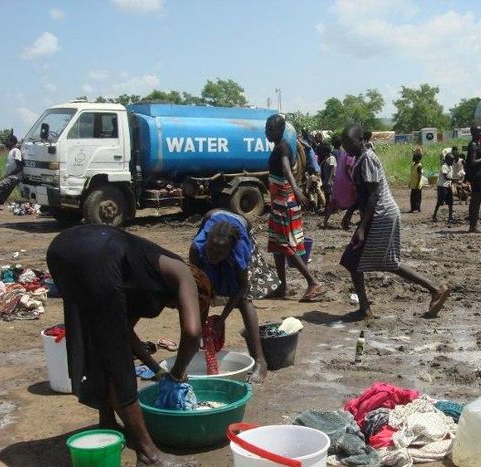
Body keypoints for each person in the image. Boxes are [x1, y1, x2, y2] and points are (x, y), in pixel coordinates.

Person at [47, 225, 212, 466]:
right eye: (181, 305)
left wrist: (156, 368)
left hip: (62, 248)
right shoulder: (181, 271)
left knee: (99, 340)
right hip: (96, 254)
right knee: (117, 359)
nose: (176, 308)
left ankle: (107, 421)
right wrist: (176, 374)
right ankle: (149, 454)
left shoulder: (140, 275)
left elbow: (125, 330)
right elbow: (192, 332)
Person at [340, 124, 449, 319]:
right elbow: (364, 193)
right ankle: (434, 289)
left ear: (360, 141)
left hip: (381, 215)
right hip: (376, 214)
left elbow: (373, 195)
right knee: (369, 261)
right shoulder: (360, 159)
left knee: (358, 260)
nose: (346, 148)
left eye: (349, 143)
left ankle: (366, 309)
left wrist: (362, 227)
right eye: (344, 144)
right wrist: (350, 212)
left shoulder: (368, 159)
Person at [190, 209, 281, 383]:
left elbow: (241, 288)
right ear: (206, 241)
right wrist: (199, 327)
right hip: (212, 215)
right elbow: (197, 286)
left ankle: (261, 361)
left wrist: (221, 319)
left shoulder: (239, 252)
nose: (212, 255)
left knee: (246, 301)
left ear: (229, 252)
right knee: (203, 292)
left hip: (242, 225)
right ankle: (193, 349)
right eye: (210, 249)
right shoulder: (197, 247)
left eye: (219, 253)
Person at [265, 114, 324, 302]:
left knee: (286, 245)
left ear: (279, 130)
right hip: (278, 202)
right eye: (266, 128)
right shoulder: (280, 146)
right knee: (276, 245)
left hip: (284, 202)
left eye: (270, 129)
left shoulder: (283, 146)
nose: (266, 131)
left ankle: (313, 282)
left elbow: (285, 169)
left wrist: (297, 190)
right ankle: (282, 286)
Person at [0, 133, 23, 220]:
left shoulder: (15, 151)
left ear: (12, 142)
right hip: (10, 178)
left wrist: (9, 175)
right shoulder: (11, 151)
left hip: (13, 178)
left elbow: (19, 166)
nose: (6, 143)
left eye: (8, 141)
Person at [432, 150, 455, 223]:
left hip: (448, 186)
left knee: (450, 202)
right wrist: (456, 179)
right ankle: (434, 215)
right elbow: (446, 177)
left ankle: (450, 217)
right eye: (451, 160)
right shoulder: (444, 166)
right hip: (442, 187)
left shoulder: (450, 167)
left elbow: (450, 178)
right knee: (440, 202)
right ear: (447, 160)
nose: (452, 162)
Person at [320, 143, 337, 219]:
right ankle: (327, 210)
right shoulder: (327, 159)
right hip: (326, 180)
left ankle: (329, 211)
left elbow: (332, 168)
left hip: (330, 181)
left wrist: (329, 180)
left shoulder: (331, 158)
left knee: (329, 196)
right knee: (327, 196)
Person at [409, 146, 424, 213]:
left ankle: (418, 208)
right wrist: (410, 183)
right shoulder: (413, 165)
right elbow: (412, 175)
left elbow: (420, 176)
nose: (413, 158)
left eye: (414, 157)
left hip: (417, 185)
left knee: (417, 197)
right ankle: (413, 208)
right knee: (412, 197)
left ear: (417, 158)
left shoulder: (419, 166)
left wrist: (417, 184)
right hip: (413, 184)